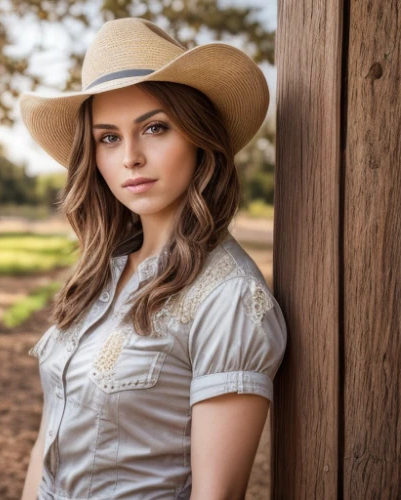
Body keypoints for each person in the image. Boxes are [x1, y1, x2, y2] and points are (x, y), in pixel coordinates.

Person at [19, 17, 287, 500]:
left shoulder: (229, 297)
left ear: (199, 137)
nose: (130, 158)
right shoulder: (99, 276)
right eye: (109, 137)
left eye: (155, 128)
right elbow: (46, 445)